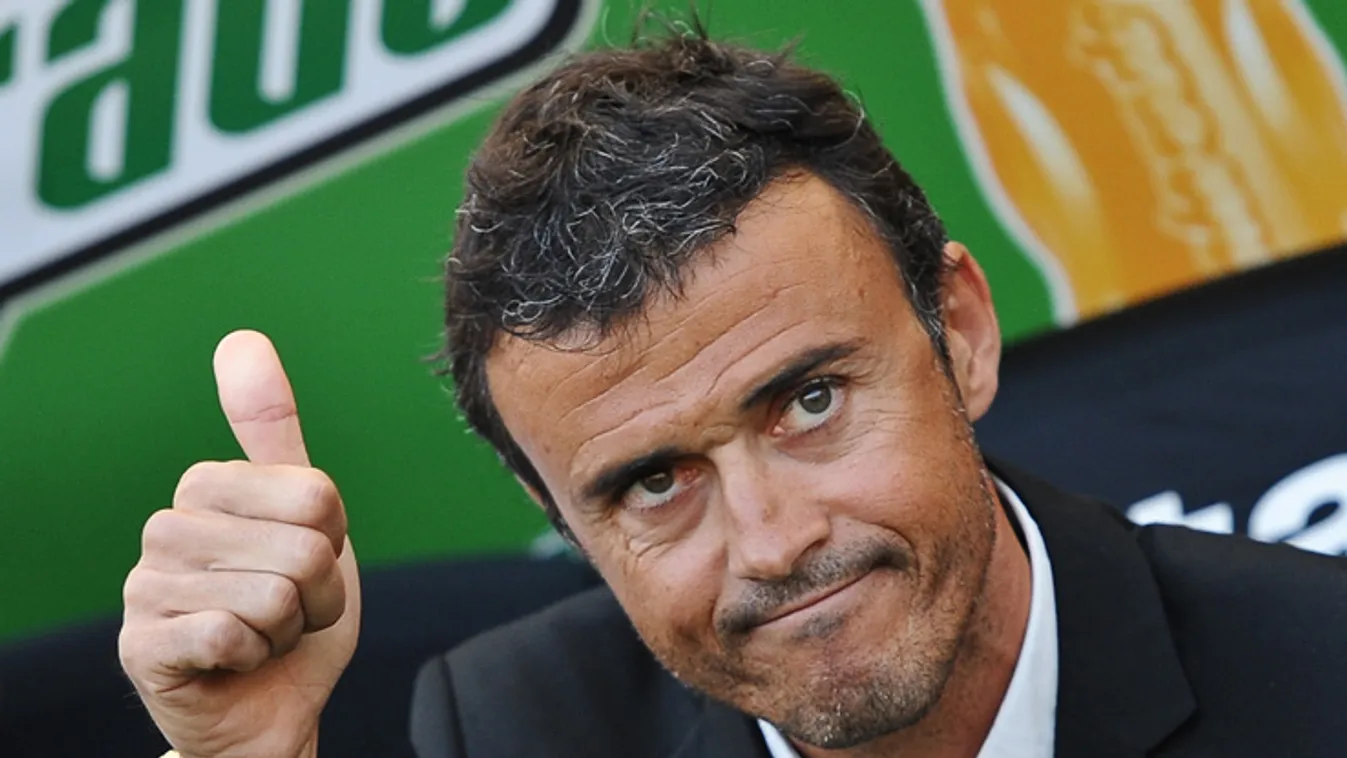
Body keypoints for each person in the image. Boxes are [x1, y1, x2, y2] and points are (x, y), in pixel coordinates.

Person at [117, 22, 1347, 758]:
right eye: (654, 480)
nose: (776, 541)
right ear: (559, 513)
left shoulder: (1319, 674)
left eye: (807, 401)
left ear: (959, 332)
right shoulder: (520, 726)